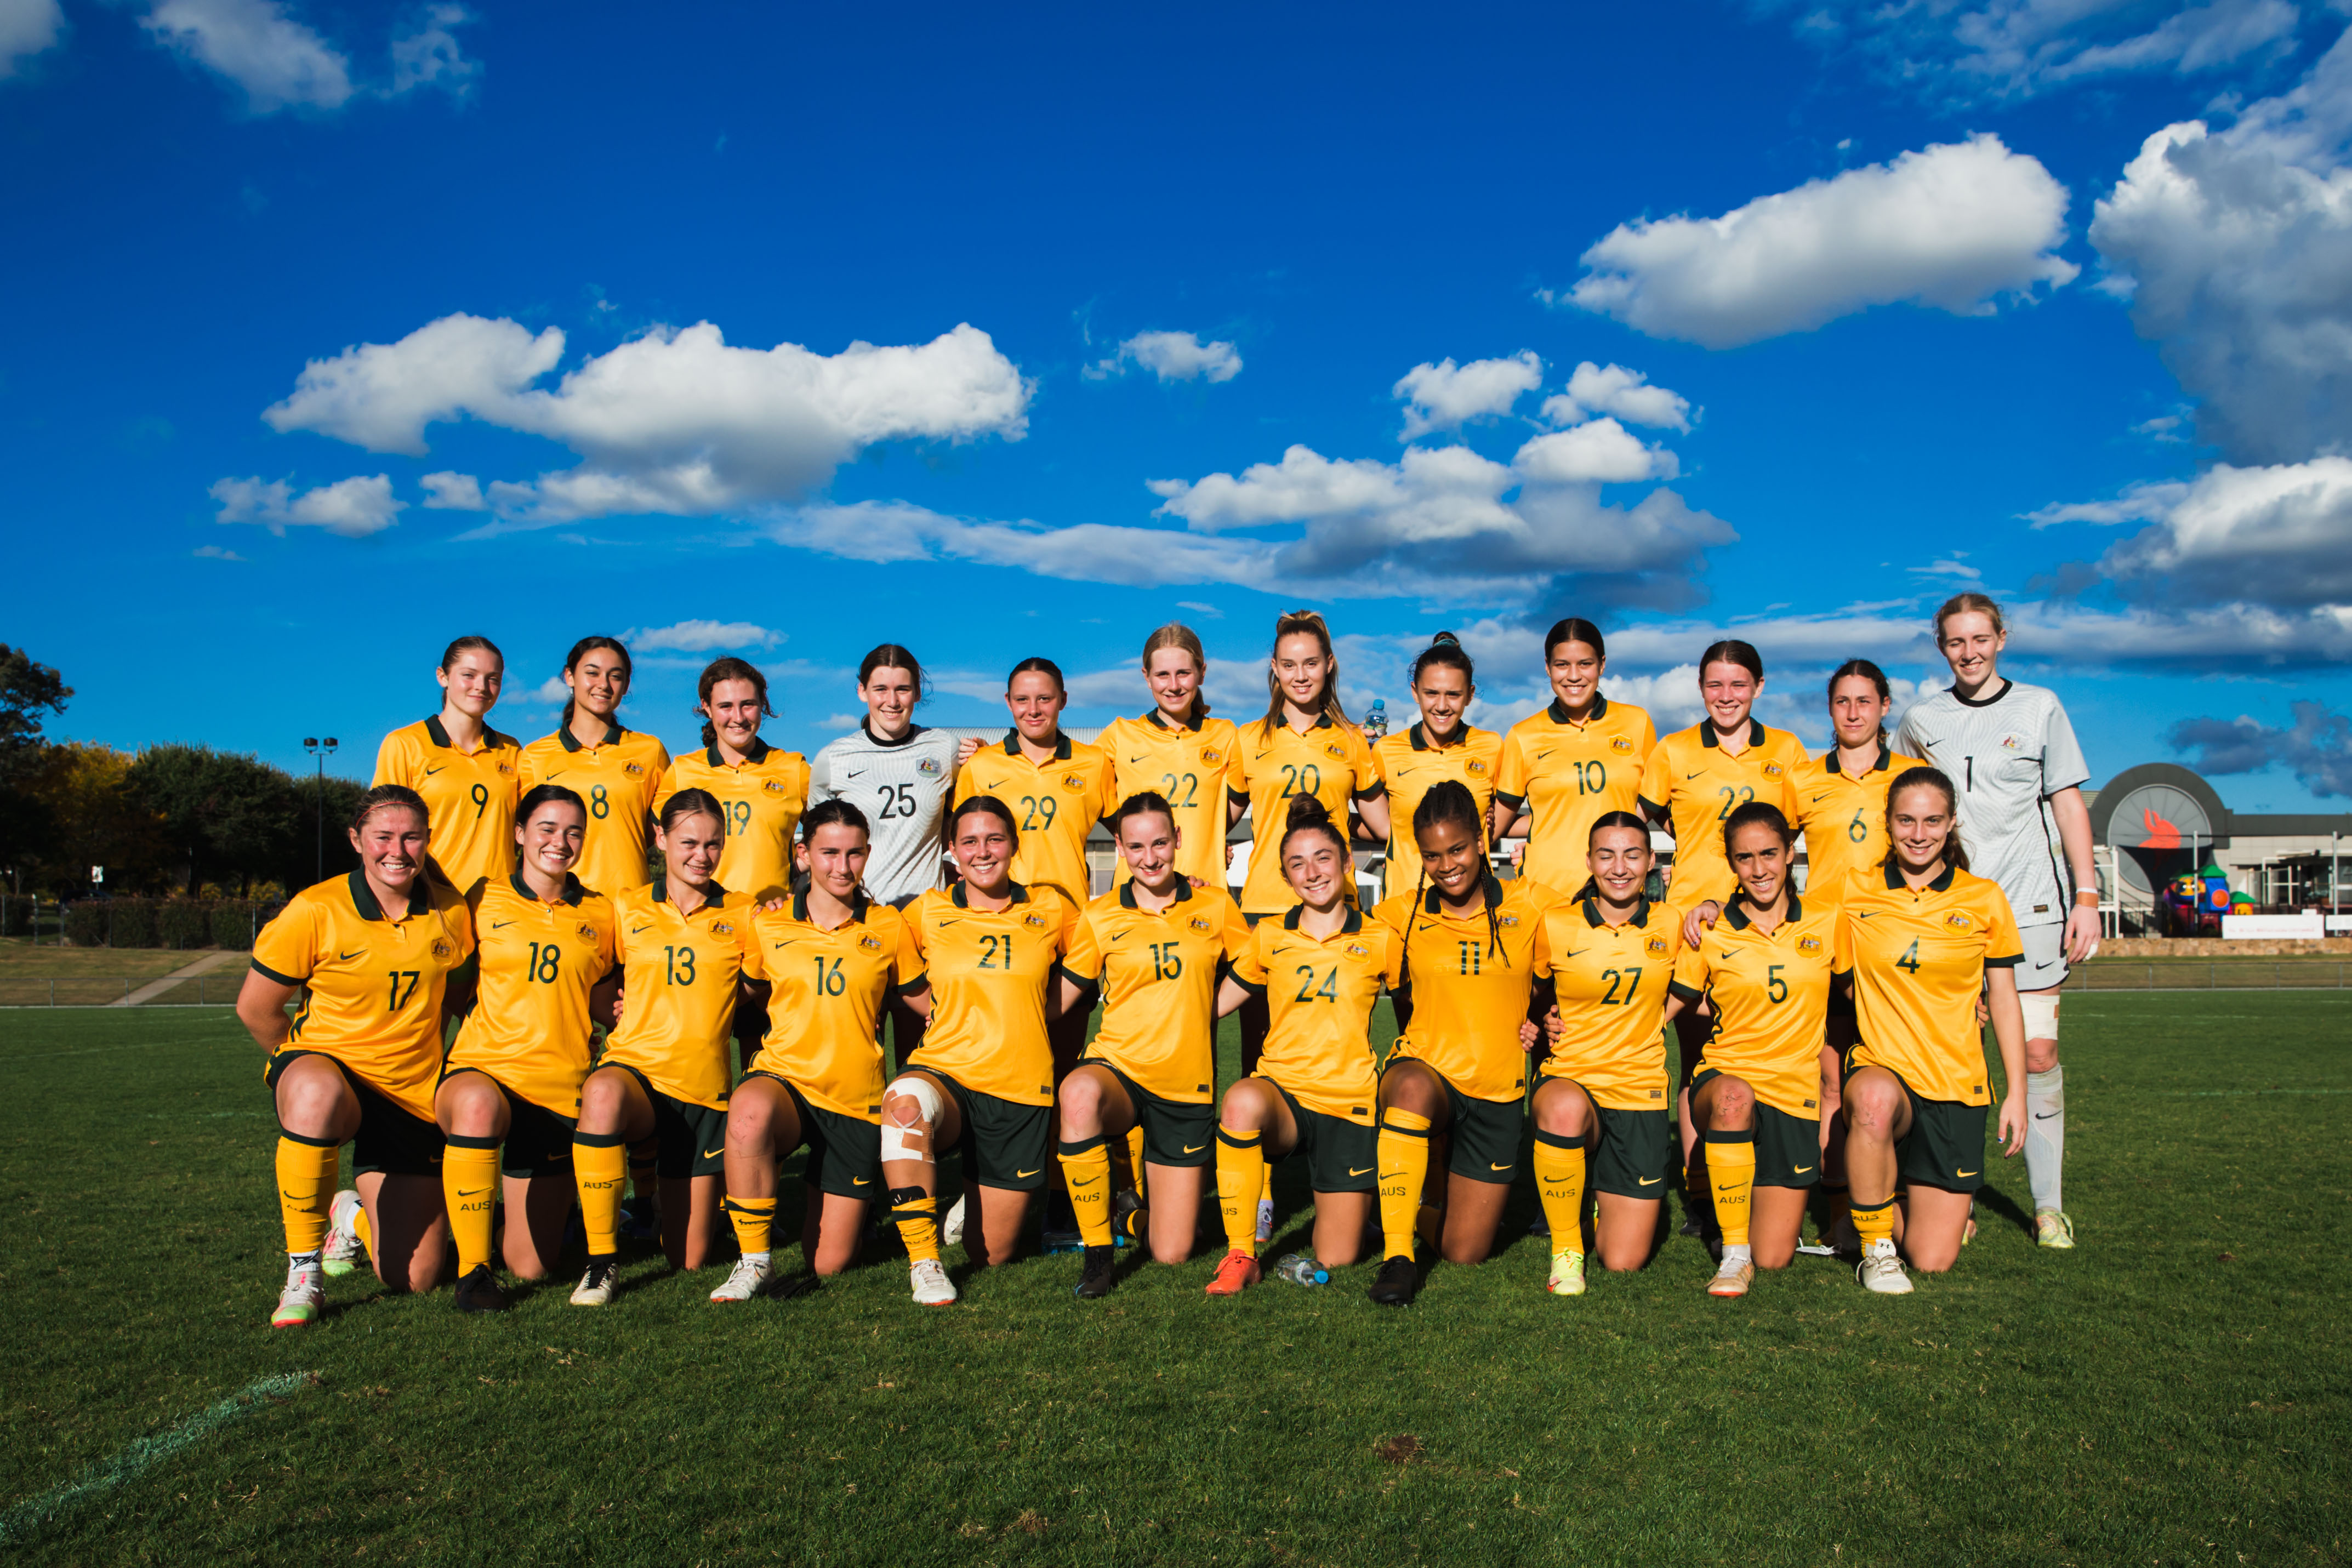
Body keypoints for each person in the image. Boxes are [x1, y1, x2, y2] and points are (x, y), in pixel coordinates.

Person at [1894, 592, 2096, 1251]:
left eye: (1980, 638)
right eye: (1955, 641)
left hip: (2033, 907)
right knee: (1945, 1061)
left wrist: (2086, 894)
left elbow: (2066, 804)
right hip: (1949, 916)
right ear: (1941, 647)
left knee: (2036, 1053)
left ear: (2001, 638)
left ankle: (2047, 1207)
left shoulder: (2039, 707)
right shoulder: (1922, 719)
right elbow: (1901, 806)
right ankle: (1950, 1195)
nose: (1969, 651)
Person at [236, 785, 475, 1327]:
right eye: (383, 836)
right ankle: (303, 1272)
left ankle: (349, 1215)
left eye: (412, 836)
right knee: (315, 1093)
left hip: (411, 1094)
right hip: (333, 1073)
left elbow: (459, 1000)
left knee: (416, 1276)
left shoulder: (452, 911)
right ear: (356, 840)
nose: (398, 849)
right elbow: (257, 1008)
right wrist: (296, 1067)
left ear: (427, 840)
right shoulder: (315, 907)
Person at [713, 799, 927, 1301]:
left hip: (855, 1099)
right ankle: (753, 1261)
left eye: (854, 854)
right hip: (785, 1081)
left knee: (829, 1263)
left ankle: (835, 1189)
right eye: (829, 852)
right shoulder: (766, 924)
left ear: (867, 854)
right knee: (748, 1111)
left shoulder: (888, 926)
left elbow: (928, 1003)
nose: (842, 866)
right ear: (804, 853)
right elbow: (733, 995)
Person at [1365, 781, 1565, 1306]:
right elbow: (1325, 920)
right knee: (1408, 1089)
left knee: (1464, 1249)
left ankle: (1394, 1200)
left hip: (1497, 1091)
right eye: (1431, 855)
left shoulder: (1532, 903)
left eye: (1456, 849)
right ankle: (1397, 1255)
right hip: (1425, 1072)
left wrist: (1548, 1014)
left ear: (1480, 840)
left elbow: (1595, 939)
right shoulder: (1398, 915)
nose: (1445, 865)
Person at [1226, 611, 1390, 1244]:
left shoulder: (1352, 739)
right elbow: (1217, 815)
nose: (1300, 674)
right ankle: (1260, 1195)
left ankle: (1357, 1162)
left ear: (1329, 667)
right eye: (1288, 663)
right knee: (1259, 1056)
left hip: (1335, 917)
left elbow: (1386, 826)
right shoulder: (1248, 741)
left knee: (1340, 1043)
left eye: (1311, 662)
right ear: (1274, 669)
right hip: (1265, 915)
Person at [1050, 791, 1252, 1297]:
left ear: (1178, 840)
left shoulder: (1215, 902)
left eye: (1160, 842)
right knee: (1077, 1093)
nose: (1150, 857)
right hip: (1118, 1068)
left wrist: (1204, 1009)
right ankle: (1097, 1252)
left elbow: (1253, 967)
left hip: (1184, 1086)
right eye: (1136, 846)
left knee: (1172, 1250)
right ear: (1119, 847)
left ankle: (1132, 1215)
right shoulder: (1100, 915)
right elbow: (1060, 999)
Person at [1835, 767, 2029, 1293]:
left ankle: (1888, 1194)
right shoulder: (1854, 892)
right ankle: (1875, 1248)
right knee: (1872, 1101)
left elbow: (2005, 999)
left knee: (1931, 1259)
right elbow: (1828, 972)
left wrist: (2016, 1092)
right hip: (1885, 1071)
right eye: (1905, 820)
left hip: (1955, 1083)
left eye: (1931, 821)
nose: (1917, 834)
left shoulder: (1984, 898)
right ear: (1887, 823)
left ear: (1951, 825)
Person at [882, 796, 1081, 1306]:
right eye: (969, 841)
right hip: (945, 1070)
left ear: (1014, 845)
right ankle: (924, 1262)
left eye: (994, 838)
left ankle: (968, 1205)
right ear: (952, 850)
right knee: (904, 1103)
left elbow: (1106, 942)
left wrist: (1185, 888)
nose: (983, 851)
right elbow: (867, 940)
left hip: (1018, 1086)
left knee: (989, 1255)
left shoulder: (1052, 907)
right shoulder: (926, 909)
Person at [566, 789, 762, 1305]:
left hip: (703, 1092)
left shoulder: (745, 914)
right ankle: (600, 1263)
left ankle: (662, 1203)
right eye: (688, 842)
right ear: (660, 838)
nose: (701, 855)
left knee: (689, 1257)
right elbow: (599, 981)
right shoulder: (626, 906)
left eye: (713, 844)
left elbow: (756, 988)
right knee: (603, 1093)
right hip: (636, 1070)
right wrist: (614, 1010)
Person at [1202, 795, 1403, 1296]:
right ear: (1285, 876)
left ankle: (1360, 1214)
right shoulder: (1269, 934)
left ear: (1346, 862)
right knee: (1242, 1099)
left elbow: (1418, 1015)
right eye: (1297, 863)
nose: (1312, 872)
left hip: (1349, 1103)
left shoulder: (1381, 938)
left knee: (1338, 1254)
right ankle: (1241, 1253)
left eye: (1322, 858)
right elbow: (1213, 1003)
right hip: (1284, 1096)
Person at [1638, 640, 1806, 1221]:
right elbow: (1651, 815)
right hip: (1692, 925)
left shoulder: (1786, 749)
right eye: (1714, 684)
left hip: (1762, 924)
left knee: (1761, 1049)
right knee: (1695, 1056)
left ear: (1758, 686)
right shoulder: (1675, 749)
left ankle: (1765, 1173)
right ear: (1701, 689)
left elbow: (1801, 824)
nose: (1726, 695)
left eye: (1738, 684)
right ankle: (1700, 1188)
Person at [436, 784, 619, 1311]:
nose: (559, 841)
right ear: (519, 833)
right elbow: (450, 990)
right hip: (483, 1071)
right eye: (546, 828)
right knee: (477, 1103)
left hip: (559, 1094)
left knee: (532, 1264)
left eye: (573, 831)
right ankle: (472, 1272)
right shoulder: (482, 898)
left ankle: (487, 1214)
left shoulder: (602, 913)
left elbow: (603, 999)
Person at [1664, 802, 1835, 1297]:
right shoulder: (1709, 930)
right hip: (1726, 1077)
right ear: (1730, 862)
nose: (1758, 869)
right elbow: (1671, 1004)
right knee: (1733, 1095)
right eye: (1744, 858)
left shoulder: (1825, 921)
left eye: (1768, 854)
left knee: (1776, 1255)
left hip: (1794, 1092)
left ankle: (1744, 1232)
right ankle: (1732, 1256)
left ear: (1789, 853)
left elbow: (1860, 990)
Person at [1787, 659, 1926, 1241]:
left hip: (1889, 951)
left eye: (1864, 701)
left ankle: (1913, 1197)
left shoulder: (1912, 774)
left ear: (1885, 706)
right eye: (1842, 701)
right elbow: (1765, 852)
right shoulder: (1802, 779)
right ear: (1830, 708)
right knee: (1828, 1083)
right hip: (1824, 950)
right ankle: (1840, 1209)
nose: (1852, 711)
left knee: (1904, 1077)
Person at [1529, 812, 1684, 1296]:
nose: (1619, 867)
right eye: (1606, 854)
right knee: (1562, 1108)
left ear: (1651, 862)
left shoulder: (1673, 921)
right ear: (1590, 861)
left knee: (1623, 1261)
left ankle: (1594, 1187)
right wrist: (1540, 1020)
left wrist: (1653, 1020)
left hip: (1639, 1089)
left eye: (1631, 854)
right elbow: (1532, 997)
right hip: (1572, 1076)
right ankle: (1566, 1248)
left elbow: (1692, 984)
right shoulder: (1555, 923)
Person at [809, 644, 963, 1073]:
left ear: (917, 693)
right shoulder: (833, 758)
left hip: (925, 928)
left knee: (923, 1065)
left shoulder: (944, 748)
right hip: (857, 924)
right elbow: (815, 848)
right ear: (862, 691)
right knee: (853, 1062)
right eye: (880, 688)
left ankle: (922, 1141)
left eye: (903, 689)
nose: (891, 700)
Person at [1490, 618, 1655, 897]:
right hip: (1544, 893)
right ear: (1547, 667)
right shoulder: (1523, 735)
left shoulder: (1637, 723)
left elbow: (1657, 803)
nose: (1574, 676)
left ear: (1602, 665)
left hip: (1617, 891)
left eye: (1585, 664)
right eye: (1562, 665)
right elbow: (1499, 824)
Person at [519, 636, 671, 897]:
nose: (603, 684)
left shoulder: (650, 751)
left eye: (615, 676)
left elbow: (662, 834)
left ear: (626, 686)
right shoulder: (535, 756)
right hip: (560, 905)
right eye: (592, 673)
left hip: (631, 904)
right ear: (570, 676)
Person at [372, 635, 523, 894]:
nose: (482, 686)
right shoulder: (404, 744)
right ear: (443, 676)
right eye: (469, 675)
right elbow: (380, 833)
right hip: (431, 901)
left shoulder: (512, 750)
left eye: (493, 679)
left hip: (500, 906)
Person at [1097, 624, 1241, 892]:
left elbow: (1239, 798)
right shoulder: (1119, 735)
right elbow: (1075, 782)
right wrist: (1127, 835)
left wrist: (1211, 837)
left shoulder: (1226, 736)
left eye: (1184, 673)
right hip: (1137, 891)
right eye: (1162, 675)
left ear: (1202, 673)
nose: (1174, 686)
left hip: (1205, 887)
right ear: (1146, 676)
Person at [656, 657, 810, 904]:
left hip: (769, 920)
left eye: (748, 704)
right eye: (725, 706)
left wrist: (795, 868)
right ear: (707, 707)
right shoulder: (682, 772)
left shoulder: (794, 769)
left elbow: (830, 838)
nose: (738, 717)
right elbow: (662, 840)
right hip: (703, 921)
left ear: (762, 704)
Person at [1373, 633, 1502, 902]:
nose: (1442, 706)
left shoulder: (1492, 747)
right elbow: (1370, 819)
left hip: (1473, 909)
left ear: (1470, 695)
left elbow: (1505, 818)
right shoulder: (1386, 751)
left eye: (1453, 695)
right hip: (1404, 908)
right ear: (1415, 692)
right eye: (1431, 693)